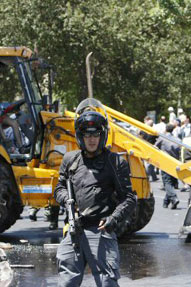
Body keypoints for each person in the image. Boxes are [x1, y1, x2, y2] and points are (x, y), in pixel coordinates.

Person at [55, 99, 136, 286]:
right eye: (86, 134)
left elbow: (129, 198)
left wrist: (113, 219)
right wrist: (67, 200)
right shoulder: (70, 159)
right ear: (79, 136)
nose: (91, 139)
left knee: (107, 282)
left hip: (101, 231)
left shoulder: (116, 162)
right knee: (66, 281)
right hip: (74, 230)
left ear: (103, 135)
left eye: (95, 134)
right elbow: (59, 188)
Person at [155, 124, 181, 209]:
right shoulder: (177, 139)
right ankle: (166, 202)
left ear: (166, 129)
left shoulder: (163, 138)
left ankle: (174, 198)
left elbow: (155, 147)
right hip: (175, 163)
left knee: (167, 182)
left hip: (165, 162)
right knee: (172, 182)